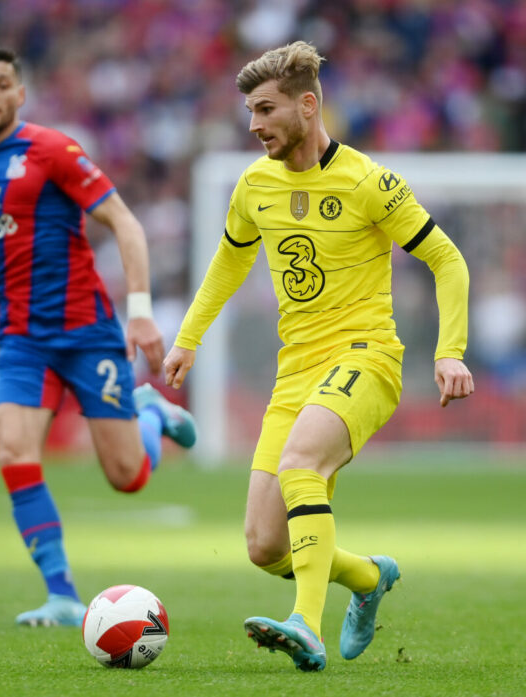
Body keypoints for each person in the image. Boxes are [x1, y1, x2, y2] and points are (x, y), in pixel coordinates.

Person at [163, 41, 473, 671]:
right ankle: (366, 578)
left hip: (367, 358)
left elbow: (447, 258)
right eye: (250, 111)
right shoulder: (254, 186)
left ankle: (306, 624)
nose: (254, 125)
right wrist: (188, 337)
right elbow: (229, 261)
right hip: (296, 369)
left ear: (308, 105)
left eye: (266, 109)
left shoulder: (369, 182)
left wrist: (450, 351)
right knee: (264, 545)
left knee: (302, 461)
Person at [0, 44, 196, 628]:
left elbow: (126, 223)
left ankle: (149, 413)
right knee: (14, 451)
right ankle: (62, 595)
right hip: (21, 341)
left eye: (0, 83)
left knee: (127, 478)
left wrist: (139, 311)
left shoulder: (52, 149)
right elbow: (3, 256)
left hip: (87, 333)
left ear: (19, 94)